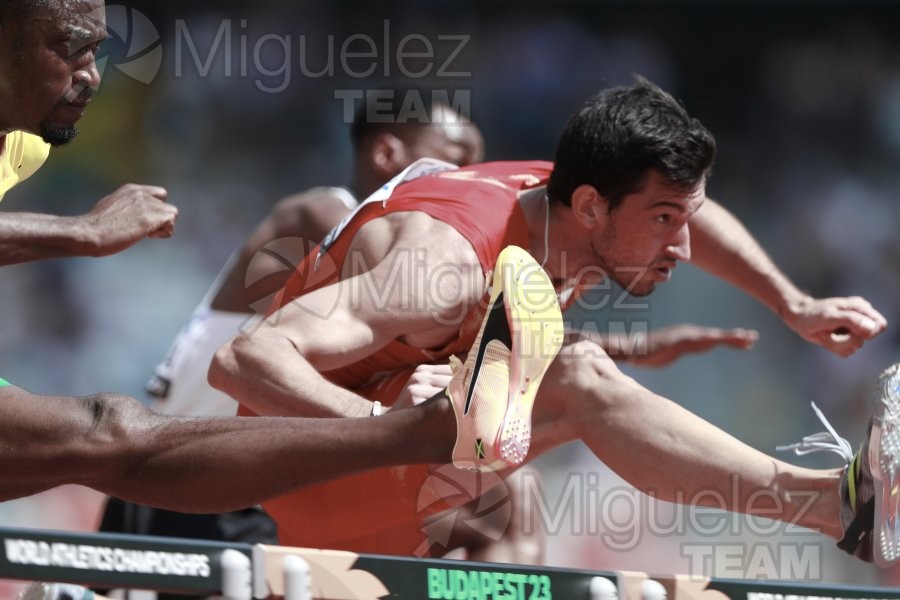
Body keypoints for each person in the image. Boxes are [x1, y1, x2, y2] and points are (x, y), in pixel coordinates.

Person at [209, 77, 895, 565]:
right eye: (662, 224)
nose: (681, 248)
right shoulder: (444, 266)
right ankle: (837, 507)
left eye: (682, 220)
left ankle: (842, 509)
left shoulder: (563, 189)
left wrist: (790, 301)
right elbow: (244, 359)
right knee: (574, 378)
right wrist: (376, 429)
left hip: (405, 482)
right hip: (300, 489)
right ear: (592, 207)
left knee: (521, 482)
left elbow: (695, 210)